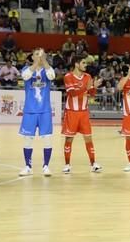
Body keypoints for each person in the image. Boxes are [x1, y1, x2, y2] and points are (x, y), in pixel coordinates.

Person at [62, 55, 103, 173]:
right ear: (76, 64)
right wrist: (87, 87)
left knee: (88, 138)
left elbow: (92, 94)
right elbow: (73, 93)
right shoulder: (68, 77)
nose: (86, 65)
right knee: (69, 139)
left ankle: (93, 164)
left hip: (84, 112)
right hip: (71, 112)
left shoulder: (88, 76)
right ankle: (67, 165)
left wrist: (94, 88)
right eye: (84, 63)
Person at [18, 48, 55, 177]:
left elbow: (52, 76)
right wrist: (36, 63)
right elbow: (25, 76)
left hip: (44, 111)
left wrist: (44, 61)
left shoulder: (47, 69)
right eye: (36, 54)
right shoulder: (26, 70)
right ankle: (28, 166)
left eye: (41, 54)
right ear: (32, 57)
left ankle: (46, 166)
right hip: (30, 110)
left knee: (47, 139)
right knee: (28, 139)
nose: (39, 56)